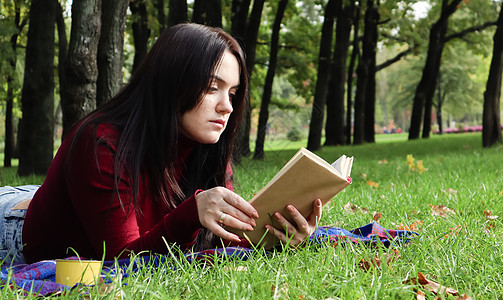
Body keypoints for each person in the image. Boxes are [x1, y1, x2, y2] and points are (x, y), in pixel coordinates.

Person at [0, 23, 322, 265]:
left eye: (233, 93)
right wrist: (190, 213)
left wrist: (276, 236)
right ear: (172, 83)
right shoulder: (101, 143)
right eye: (213, 88)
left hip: (75, 202)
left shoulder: (207, 145)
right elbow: (122, 264)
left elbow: (214, 245)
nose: (227, 106)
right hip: (14, 226)